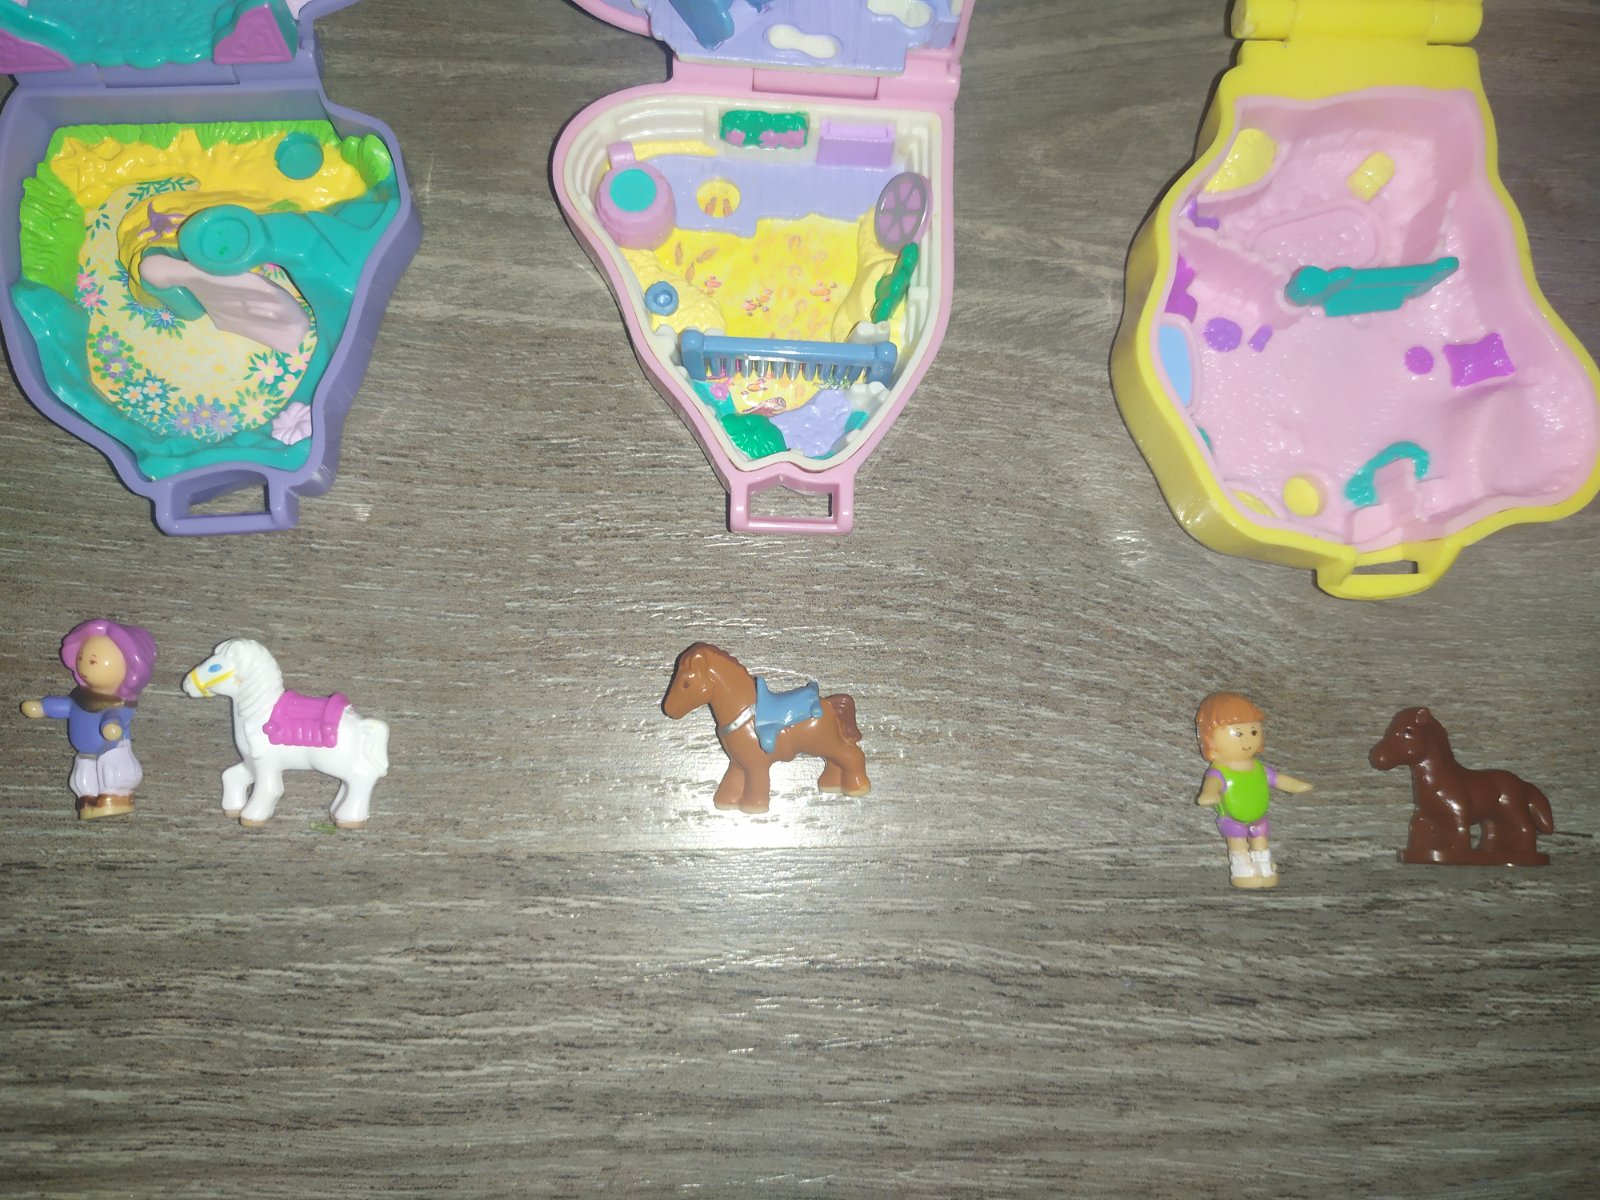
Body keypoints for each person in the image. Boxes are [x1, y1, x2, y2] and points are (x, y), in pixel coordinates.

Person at [21, 620, 158, 819]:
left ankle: (116, 796)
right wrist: (43, 707)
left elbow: (115, 718)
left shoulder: (119, 703)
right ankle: (87, 798)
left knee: (111, 772)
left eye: (92, 661)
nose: (84, 666)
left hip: (112, 748)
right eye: (81, 658)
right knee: (82, 777)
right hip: (85, 752)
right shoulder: (79, 698)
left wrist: (112, 726)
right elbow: (64, 706)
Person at [1194, 691, 1313, 889]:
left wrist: (1296, 785)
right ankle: (1242, 872)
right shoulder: (1220, 771)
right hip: (1232, 819)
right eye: (1238, 734)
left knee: (1261, 842)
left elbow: (1277, 779)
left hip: (1259, 817)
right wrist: (1209, 794)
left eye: (1254, 732)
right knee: (1238, 845)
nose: (1247, 740)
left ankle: (1264, 868)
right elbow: (1212, 784)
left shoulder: (1258, 768)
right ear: (1210, 740)